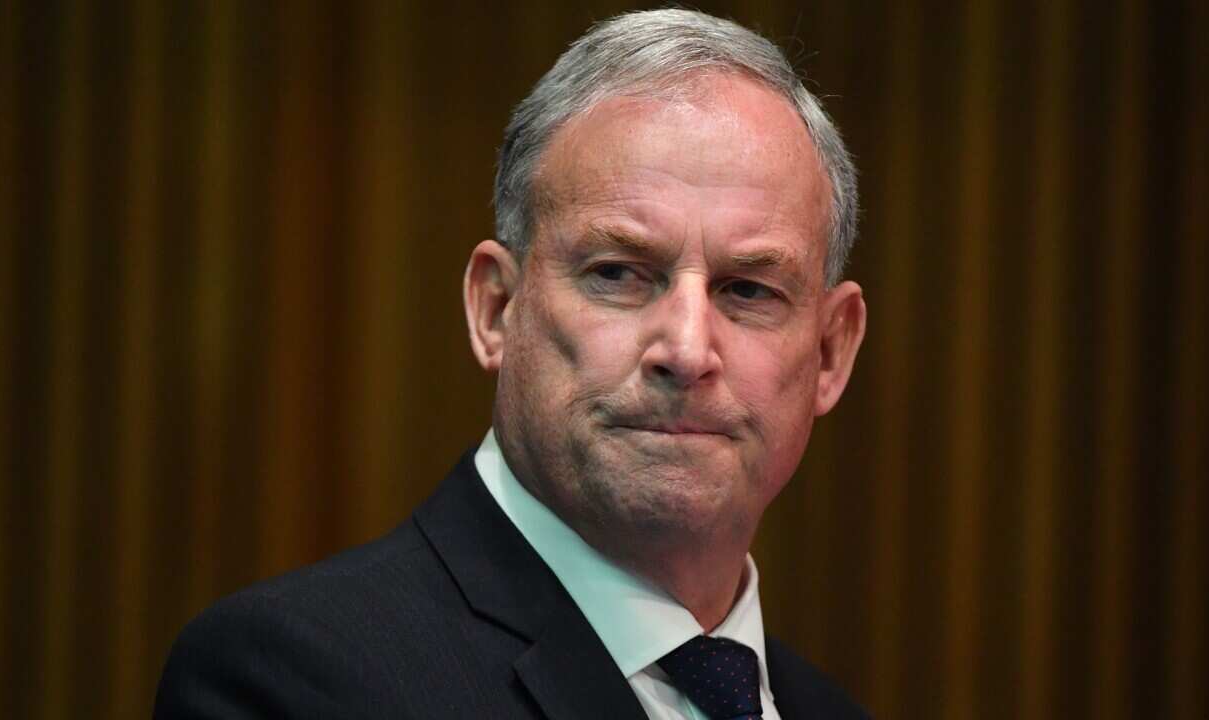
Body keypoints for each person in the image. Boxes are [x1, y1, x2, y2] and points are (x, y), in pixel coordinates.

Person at [155, 9, 868, 719]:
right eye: (618, 274)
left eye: (747, 290)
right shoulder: (297, 681)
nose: (685, 351)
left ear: (831, 351)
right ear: (495, 308)